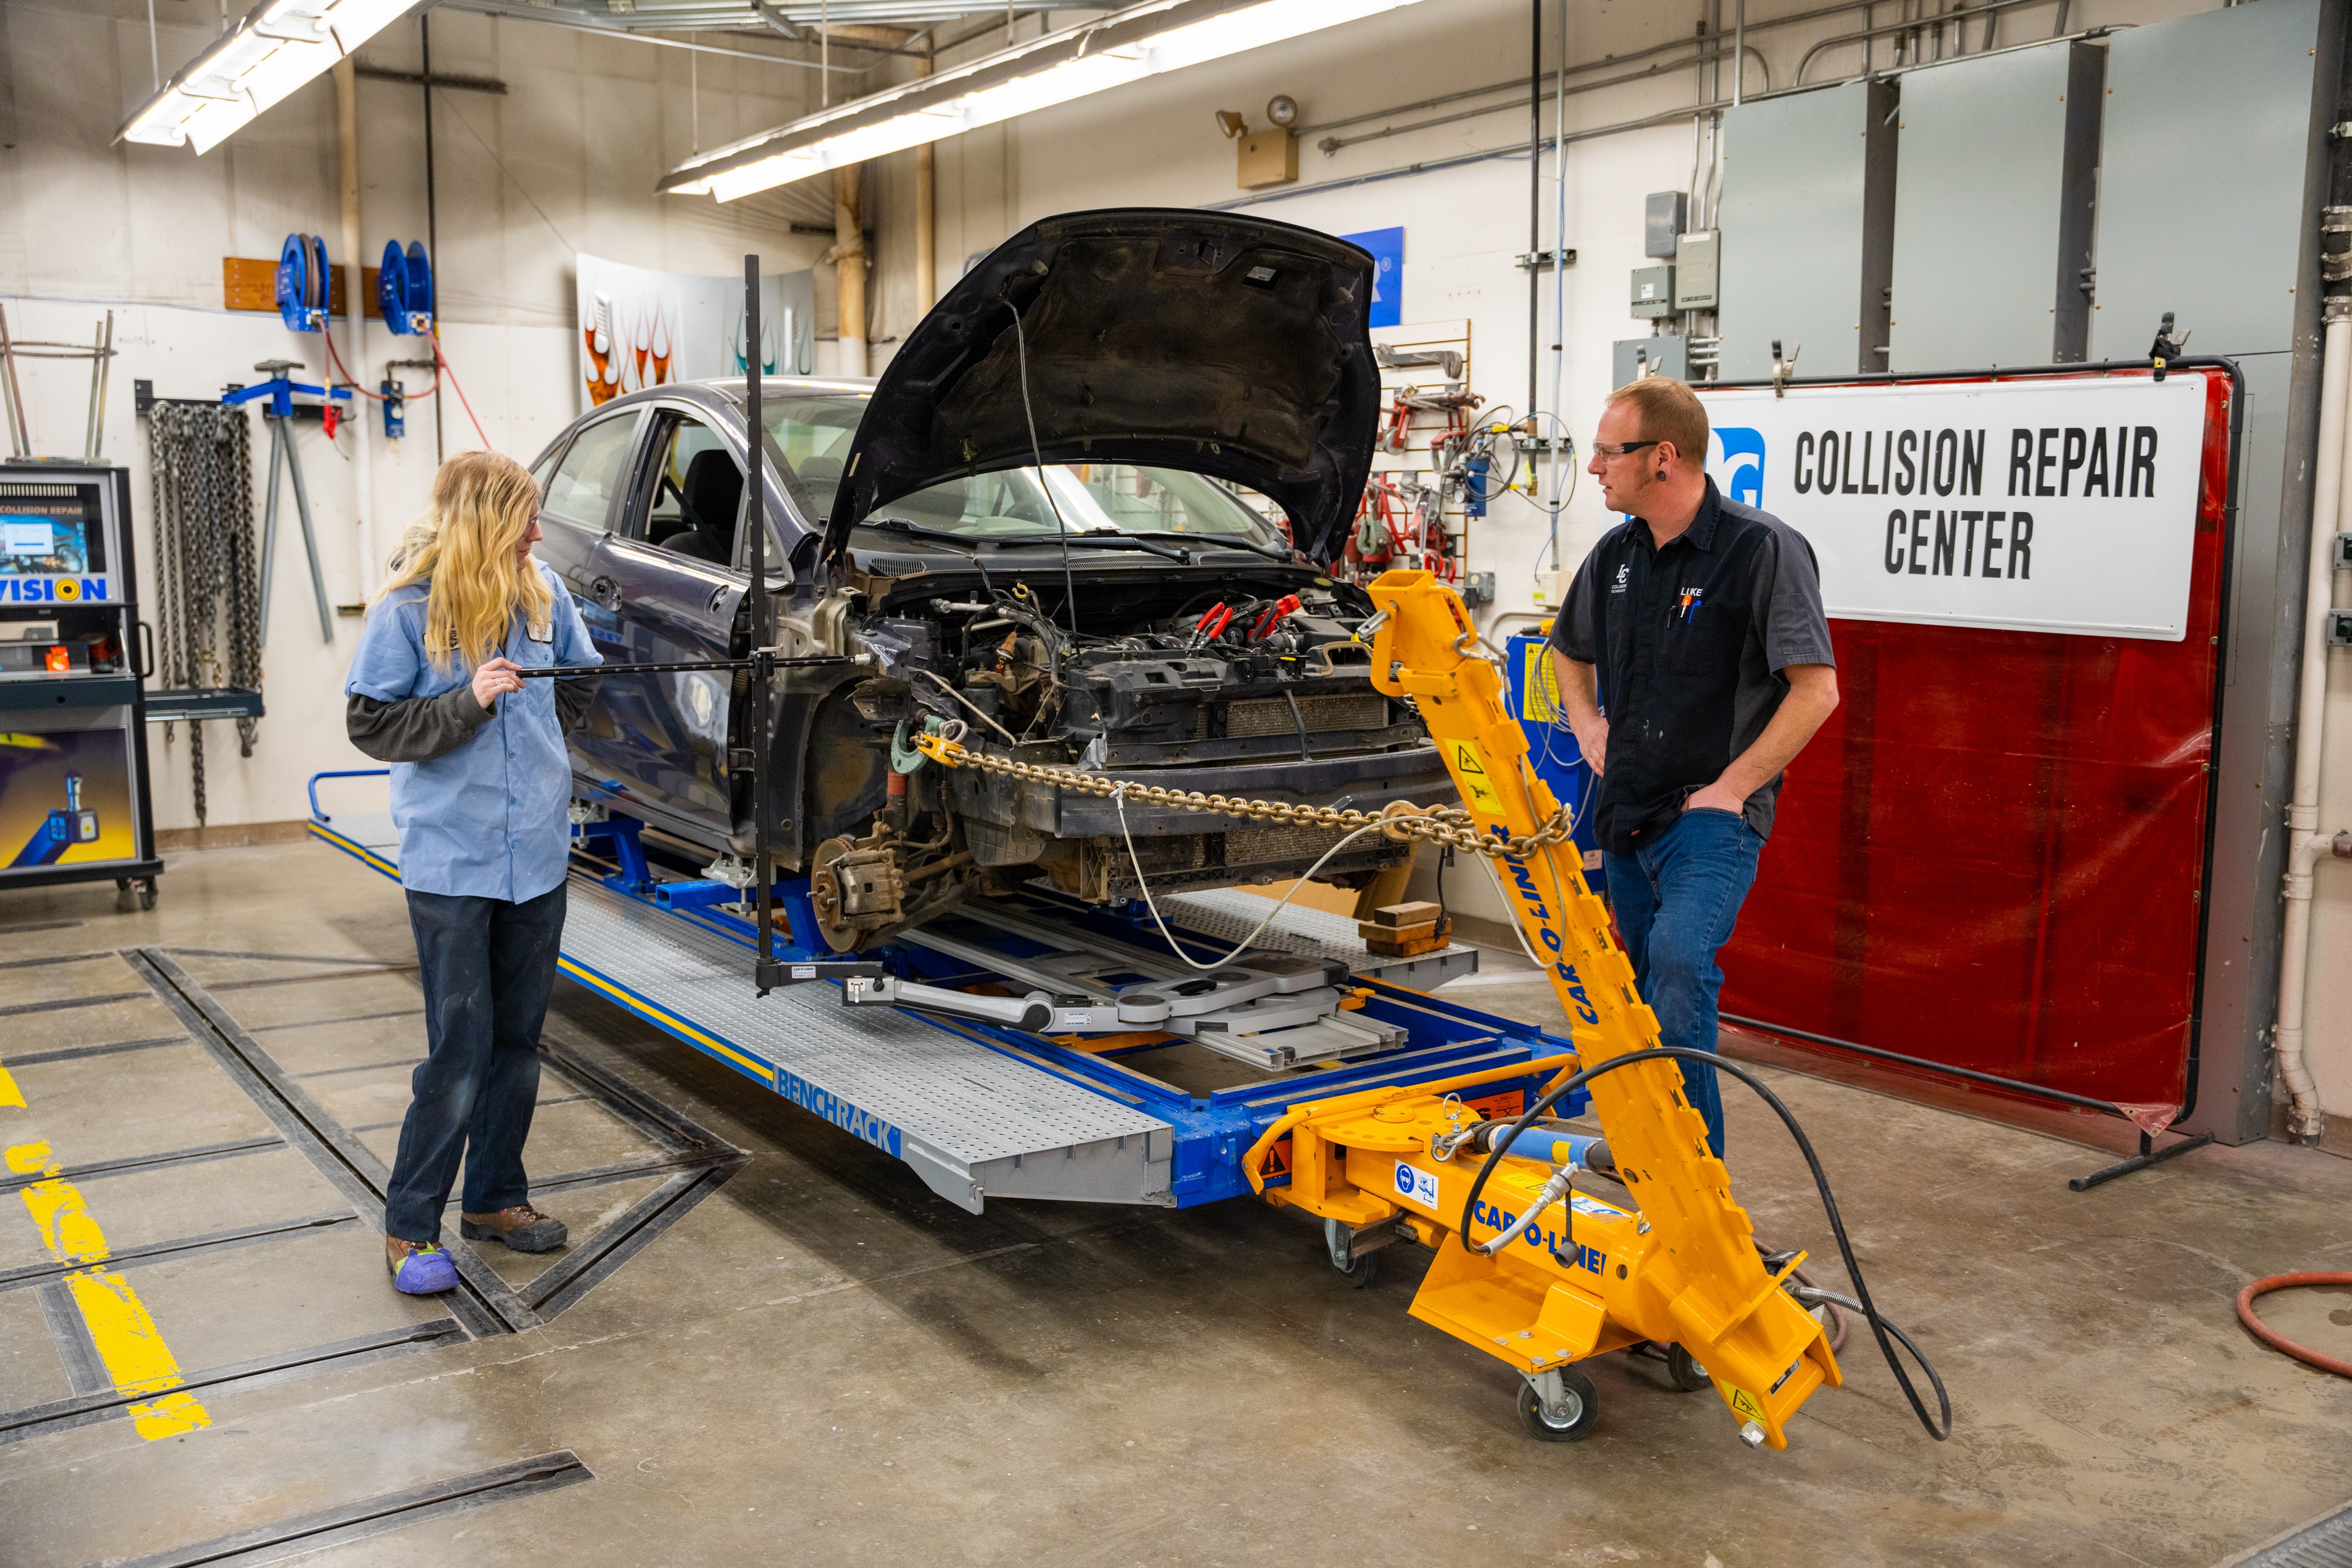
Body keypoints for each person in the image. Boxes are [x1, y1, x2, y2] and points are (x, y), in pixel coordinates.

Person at [1549, 377, 1838, 1159]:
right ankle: (1651, 1158)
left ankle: (1693, 1174)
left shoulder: (1760, 549)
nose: (1596, 469)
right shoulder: (1615, 556)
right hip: (1628, 810)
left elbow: (1817, 692)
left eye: (1610, 453)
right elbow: (1567, 650)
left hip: (1709, 819)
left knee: (1681, 962)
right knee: (1641, 992)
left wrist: (1735, 788)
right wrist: (1587, 723)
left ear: (1664, 458)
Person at [345, 452, 603, 1295]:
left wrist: (577, 696)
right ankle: (409, 1227)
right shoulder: (408, 611)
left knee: (517, 1046)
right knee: (458, 1052)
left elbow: (580, 681)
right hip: (453, 863)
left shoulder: (543, 594)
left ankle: (495, 1199)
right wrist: (469, 703)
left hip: (536, 855)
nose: (538, 532)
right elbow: (372, 722)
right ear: (490, 522)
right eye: (526, 519)